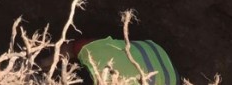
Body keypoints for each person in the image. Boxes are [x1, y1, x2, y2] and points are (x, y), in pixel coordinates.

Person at [51, 37, 181, 84]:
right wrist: (48, 62)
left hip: (170, 74)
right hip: (155, 51)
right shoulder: (95, 53)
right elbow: (73, 46)